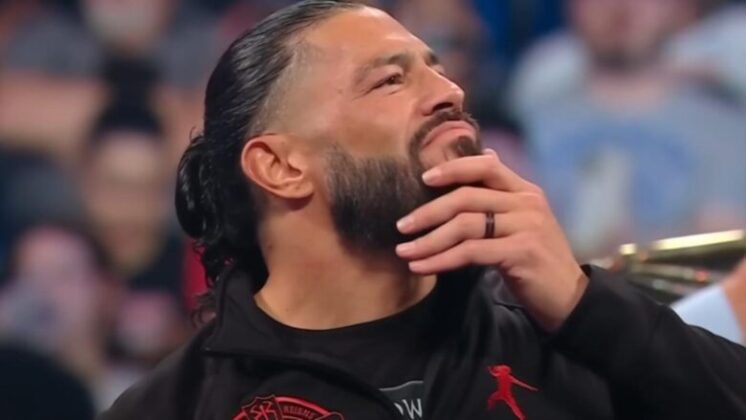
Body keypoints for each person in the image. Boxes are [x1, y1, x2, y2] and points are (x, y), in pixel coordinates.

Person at [100, 1, 746, 419]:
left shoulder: (573, 331)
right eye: (390, 80)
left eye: (437, 70)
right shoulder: (180, 407)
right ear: (280, 166)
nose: (450, 92)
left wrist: (583, 303)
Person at [519, 0, 746, 257]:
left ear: (679, 7)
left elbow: (724, 247)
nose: (620, 6)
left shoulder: (723, 125)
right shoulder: (525, 120)